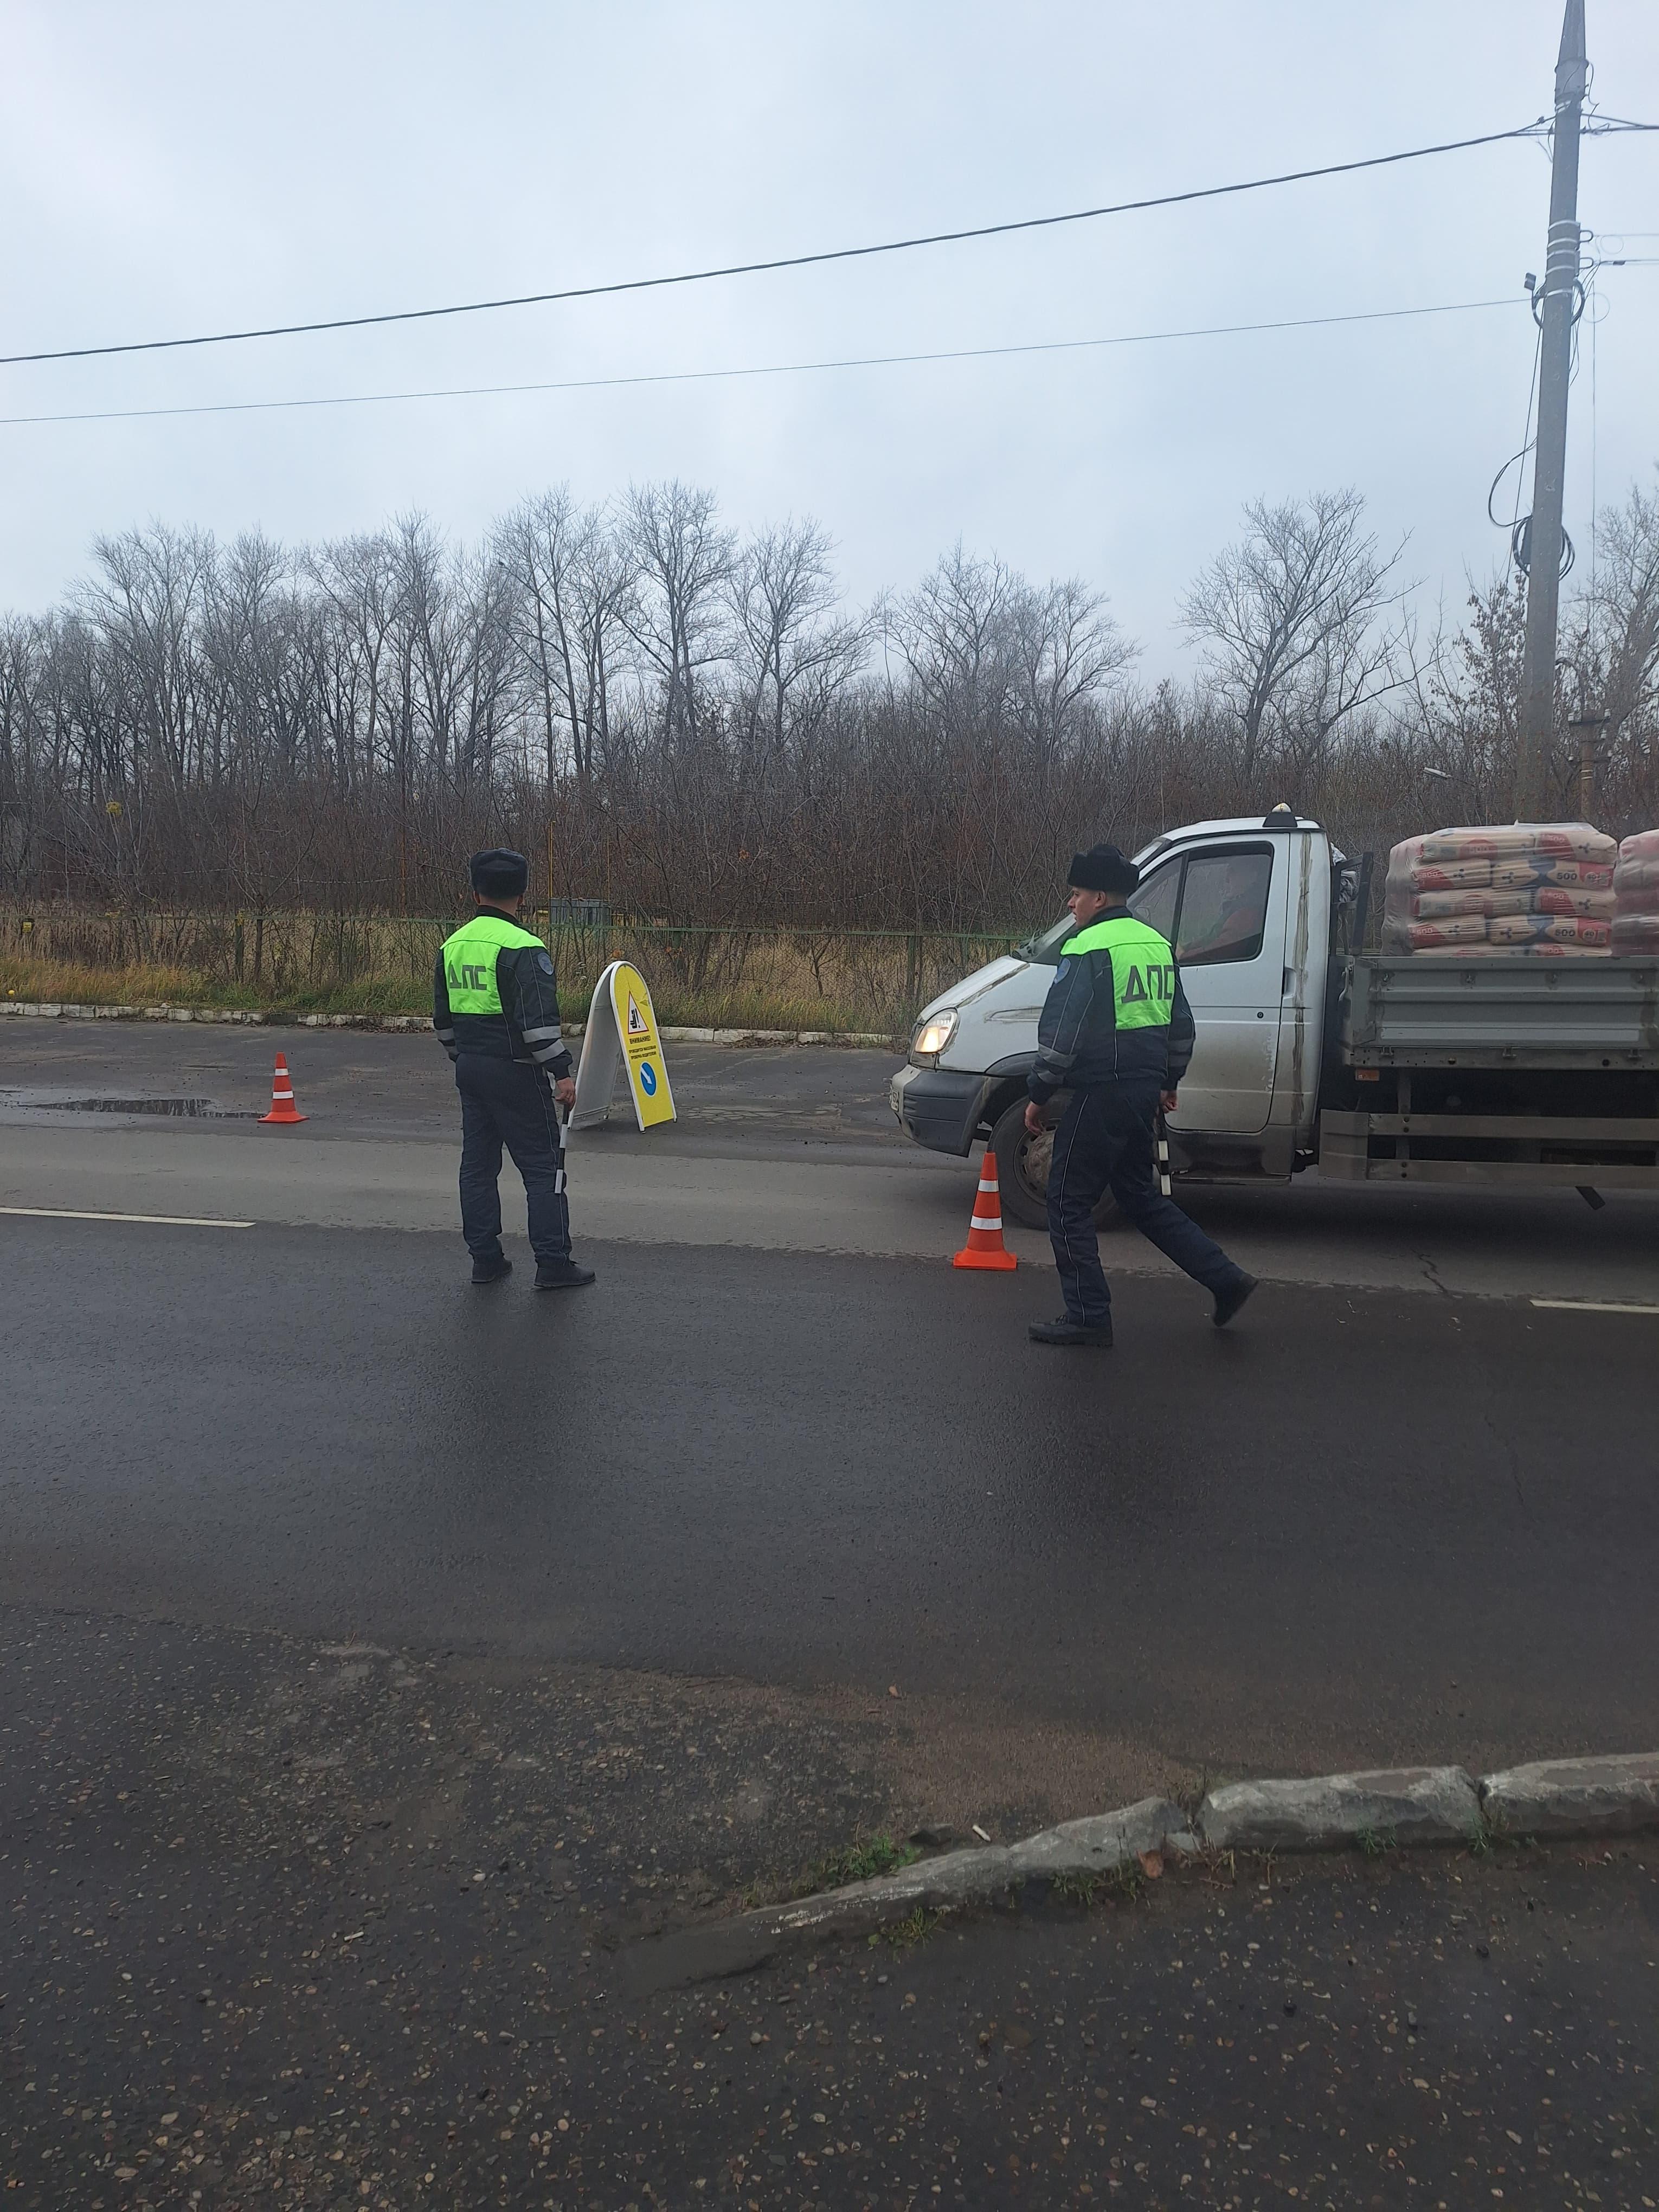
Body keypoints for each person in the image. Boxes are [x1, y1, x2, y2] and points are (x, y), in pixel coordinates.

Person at [1024, 842, 1256, 1348]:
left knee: (1065, 1198)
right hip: (1141, 1092)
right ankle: (1226, 1280)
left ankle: (1088, 1315)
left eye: (1077, 894)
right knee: (1139, 1197)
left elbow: (1062, 1034)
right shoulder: (1155, 944)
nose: (1071, 904)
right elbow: (1182, 1026)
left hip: (1102, 1092)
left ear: (1100, 897)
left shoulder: (1086, 948)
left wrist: (1038, 1093)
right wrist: (1168, 1081)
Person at [433, 849, 595, 1291]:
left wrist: (464, 1058)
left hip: (470, 1068)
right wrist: (562, 1073)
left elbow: (443, 1021)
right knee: (545, 1169)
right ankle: (553, 1263)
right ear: (522, 896)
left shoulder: (453, 944)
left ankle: (485, 1260)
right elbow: (538, 1025)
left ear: (474, 891)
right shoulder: (524, 948)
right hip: (516, 1071)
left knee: (478, 1167)